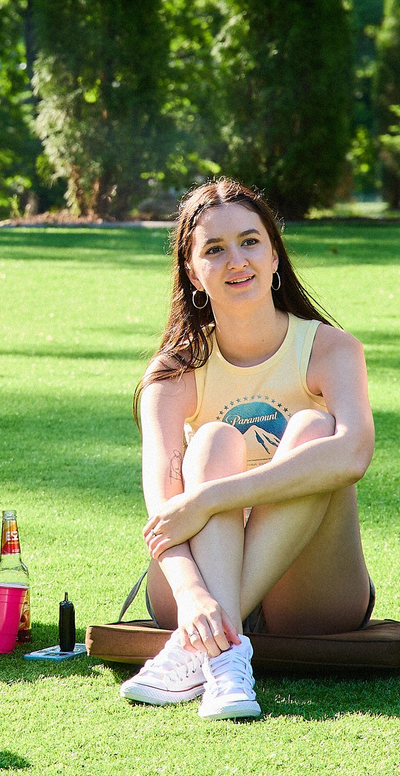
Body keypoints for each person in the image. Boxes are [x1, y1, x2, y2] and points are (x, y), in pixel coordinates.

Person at [118, 178, 377, 722]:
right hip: (192, 587)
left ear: (275, 252)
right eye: (214, 249)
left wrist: (212, 499)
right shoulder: (174, 370)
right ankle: (222, 652)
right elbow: (162, 510)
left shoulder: (331, 349)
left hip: (311, 596)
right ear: (193, 272)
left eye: (250, 241)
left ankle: (203, 650)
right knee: (213, 439)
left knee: (313, 432)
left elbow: (353, 455)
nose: (236, 260)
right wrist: (192, 598)